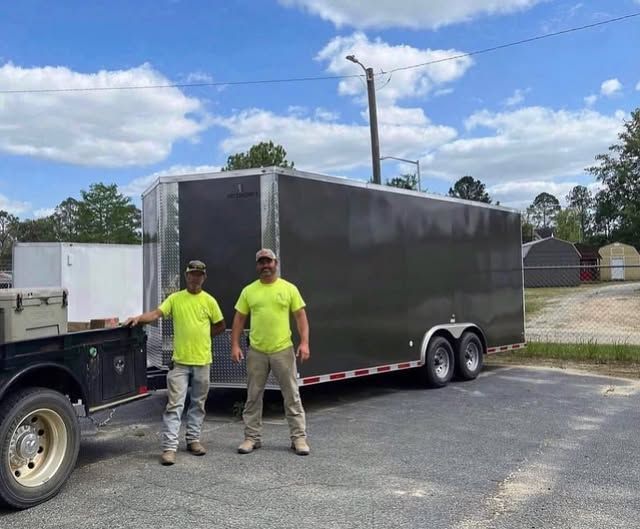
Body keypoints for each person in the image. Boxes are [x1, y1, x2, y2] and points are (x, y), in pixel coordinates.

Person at [125, 259, 225, 466]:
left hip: (203, 361)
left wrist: (204, 337)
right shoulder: (175, 299)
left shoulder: (210, 301)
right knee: (175, 405)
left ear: (203, 278)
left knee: (198, 404)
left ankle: (193, 440)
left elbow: (220, 326)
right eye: (192, 274)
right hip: (180, 363)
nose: (195, 278)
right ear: (186, 276)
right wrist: (138, 318)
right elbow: (156, 314)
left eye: (199, 274)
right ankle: (169, 448)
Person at [231, 248, 311, 456]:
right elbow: (239, 319)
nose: (265, 266)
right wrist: (235, 345)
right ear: (257, 266)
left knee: (292, 395)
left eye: (269, 262)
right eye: (261, 262)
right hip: (257, 351)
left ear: (276, 263)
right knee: (253, 396)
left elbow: (300, 316)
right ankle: (251, 438)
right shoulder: (249, 291)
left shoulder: (288, 289)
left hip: (283, 350)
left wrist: (304, 343)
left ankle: (299, 439)